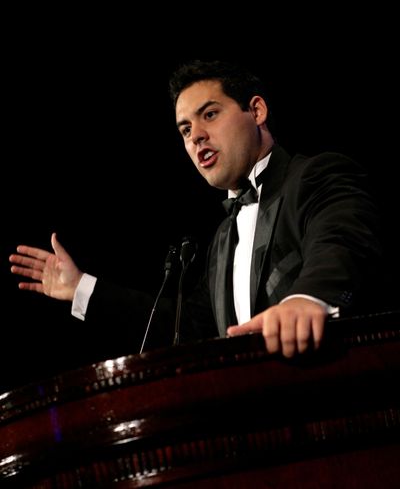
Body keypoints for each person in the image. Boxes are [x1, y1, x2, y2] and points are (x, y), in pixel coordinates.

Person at [9, 60, 383, 358]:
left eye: (210, 114)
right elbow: (185, 329)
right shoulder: (223, 238)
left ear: (256, 110)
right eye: (185, 129)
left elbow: (342, 241)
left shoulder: (315, 176)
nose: (196, 136)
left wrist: (307, 298)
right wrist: (81, 289)